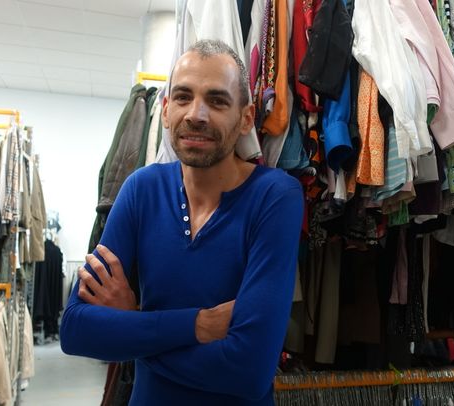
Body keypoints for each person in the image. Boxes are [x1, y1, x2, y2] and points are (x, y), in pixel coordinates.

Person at [60, 39, 304, 405]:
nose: (196, 114)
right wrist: (197, 325)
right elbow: (76, 330)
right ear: (166, 110)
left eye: (217, 100)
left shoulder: (274, 197)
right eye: (183, 97)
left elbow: (249, 371)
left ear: (246, 118)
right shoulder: (141, 189)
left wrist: (133, 325)